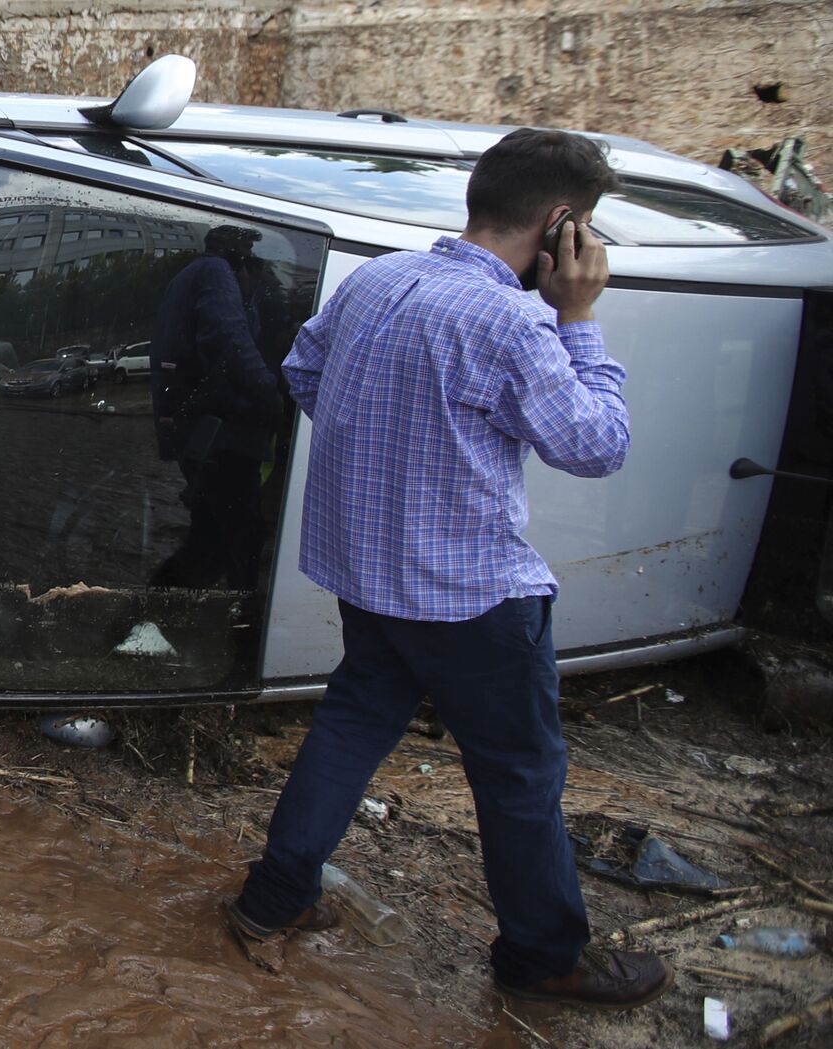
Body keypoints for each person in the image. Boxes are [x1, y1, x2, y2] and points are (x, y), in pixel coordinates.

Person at [227, 128, 673, 1009]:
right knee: (517, 777)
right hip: (473, 599)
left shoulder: (378, 278)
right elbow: (597, 446)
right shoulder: (513, 321)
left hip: (372, 578)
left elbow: (303, 370)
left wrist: (396, 453)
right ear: (560, 225)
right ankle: (544, 955)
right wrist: (579, 320)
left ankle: (269, 903)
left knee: (351, 726)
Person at [149, 225, 281, 590]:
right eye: (247, 248)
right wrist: (274, 398)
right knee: (239, 541)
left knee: (211, 540)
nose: (252, 256)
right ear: (234, 250)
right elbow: (230, 342)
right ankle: (243, 631)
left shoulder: (190, 275)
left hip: (205, 432)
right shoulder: (214, 272)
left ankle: (146, 616)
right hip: (223, 437)